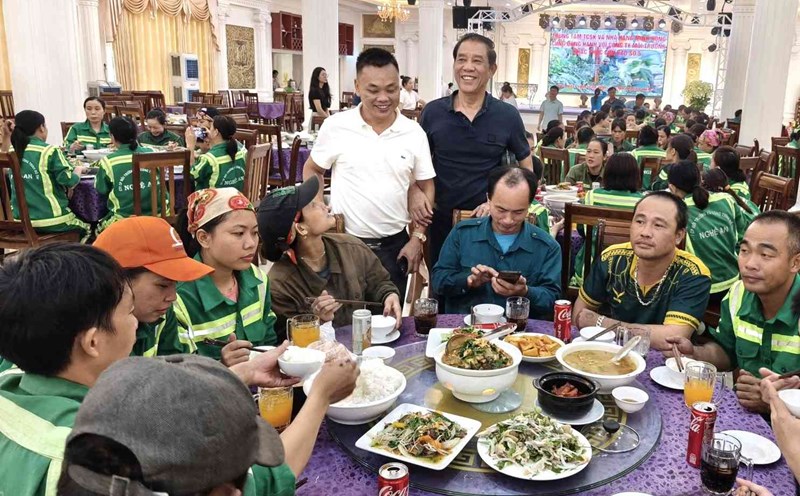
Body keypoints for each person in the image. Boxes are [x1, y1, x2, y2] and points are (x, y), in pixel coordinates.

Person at [0, 243, 351, 496]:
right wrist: (321, 395)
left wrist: (241, 373)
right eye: (128, 311)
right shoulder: (112, 451)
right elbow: (269, 474)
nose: (136, 324)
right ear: (93, 342)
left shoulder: (9, 385)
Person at [302, 48, 435, 299]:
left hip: (394, 246)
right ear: (357, 87)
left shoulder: (414, 133)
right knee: (344, 321)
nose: (383, 98)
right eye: (373, 90)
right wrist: (318, 204)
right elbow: (313, 168)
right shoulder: (337, 126)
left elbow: (426, 186)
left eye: (391, 89)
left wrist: (417, 238)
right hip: (343, 244)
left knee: (389, 322)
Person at [416, 33, 532, 272]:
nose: (467, 67)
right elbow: (416, 166)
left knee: (488, 289)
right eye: (461, 59)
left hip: (489, 224)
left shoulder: (506, 116)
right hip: (440, 221)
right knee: (443, 289)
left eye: (477, 61)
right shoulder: (433, 112)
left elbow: (527, 170)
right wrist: (414, 194)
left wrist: (496, 204)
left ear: (492, 69)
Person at [665, 211, 800, 413]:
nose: (750, 264)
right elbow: (727, 352)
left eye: (766, 255)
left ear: (795, 263)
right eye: (744, 250)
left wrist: (774, 401)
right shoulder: (738, 294)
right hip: (744, 418)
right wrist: (695, 353)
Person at [258, 176, 402, 334]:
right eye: (313, 205)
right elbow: (286, 342)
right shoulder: (280, 285)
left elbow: (380, 282)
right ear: (301, 228)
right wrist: (316, 320)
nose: (326, 206)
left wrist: (389, 295)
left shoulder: (351, 247)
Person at [573, 191, 712, 349]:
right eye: (639, 221)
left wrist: (601, 323)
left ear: (679, 235)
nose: (645, 232)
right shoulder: (612, 258)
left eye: (658, 225)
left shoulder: (692, 273)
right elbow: (580, 314)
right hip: (610, 354)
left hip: (664, 365)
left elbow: (672, 338)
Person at [432, 166, 561, 316]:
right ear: (488, 199)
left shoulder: (547, 247)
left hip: (520, 335)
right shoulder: (462, 234)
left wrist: (525, 292)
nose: (508, 220)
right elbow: (438, 281)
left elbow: (554, 300)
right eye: (501, 210)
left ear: (529, 205)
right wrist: (468, 280)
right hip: (467, 331)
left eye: (518, 212)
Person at [175, 187, 278, 361]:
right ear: (203, 238)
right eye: (238, 233)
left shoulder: (258, 279)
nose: (251, 244)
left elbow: (269, 341)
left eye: (254, 233)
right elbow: (178, 374)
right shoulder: (179, 297)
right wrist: (222, 366)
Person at [94, 216, 213, 357]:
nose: (172, 297)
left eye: (175, 284)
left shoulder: (161, 314)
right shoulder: (93, 334)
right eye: (162, 285)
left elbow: (177, 367)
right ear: (117, 281)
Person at [1, 111, 91, 240]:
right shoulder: (49, 151)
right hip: (51, 220)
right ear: (41, 128)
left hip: (19, 220)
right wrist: (78, 169)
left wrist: (6, 136)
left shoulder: (12, 151)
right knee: (88, 229)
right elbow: (69, 181)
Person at [667, 160, 750, 300]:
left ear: (672, 188)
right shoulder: (726, 199)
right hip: (734, 280)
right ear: (700, 179)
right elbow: (743, 237)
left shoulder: (676, 211)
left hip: (700, 288)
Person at [571, 152, 643, 286]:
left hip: (590, 271)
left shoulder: (592, 196)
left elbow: (582, 229)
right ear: (635, 176)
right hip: (632, 275)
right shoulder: (642, 202)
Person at [94, 116, 158, 232]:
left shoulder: (109, 161)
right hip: (157, 215)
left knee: (97, 229)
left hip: (124, 219)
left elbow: (101, 189)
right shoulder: (152, 153)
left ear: (112, 137)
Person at [185, 114, 246, 192]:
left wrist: (190, 146)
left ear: (216, 132)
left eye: (211, 128)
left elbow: (192, 175)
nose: (209, 130)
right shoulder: (242, 149)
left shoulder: (209, 159)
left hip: (214, 201)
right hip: (237, 199)